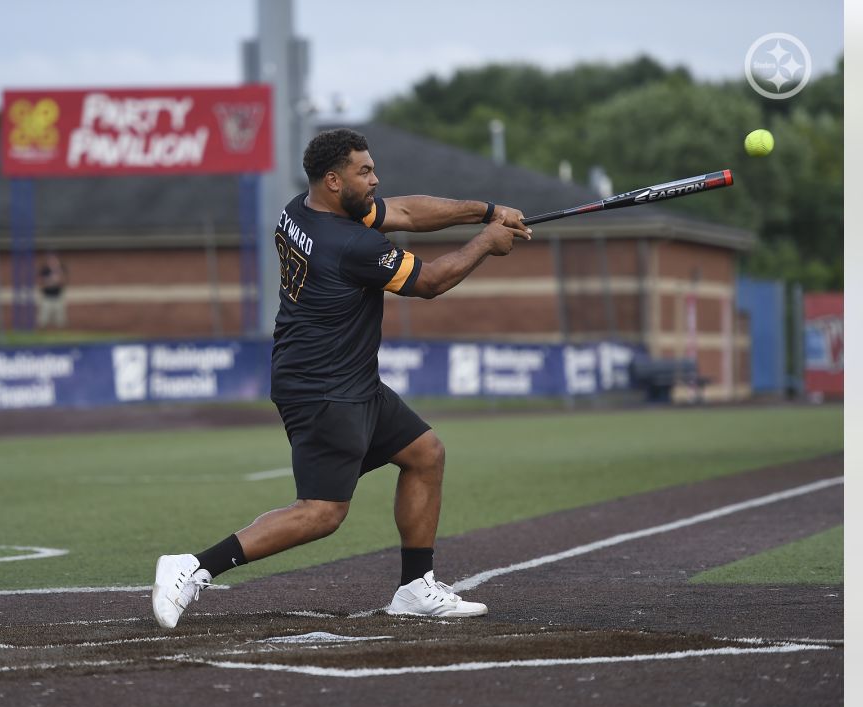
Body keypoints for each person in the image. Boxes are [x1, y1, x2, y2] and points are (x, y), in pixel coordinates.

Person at [151, 128, 531, 628]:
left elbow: (410, 214)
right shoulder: (350, 243)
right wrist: (486, 241)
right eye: (364, 171)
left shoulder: (304, 207)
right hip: (324, 387)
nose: (375, 180)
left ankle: (416, 587)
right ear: (334, 180)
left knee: (425, 454)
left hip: (349, 378)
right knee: (322, 512)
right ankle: (195, 566)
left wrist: (486, 211)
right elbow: (431, 282)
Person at [37, 250, 68, 329]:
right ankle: (42, 333)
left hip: (58, 296)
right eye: (51, 259)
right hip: (47, 297)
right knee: (43, 318)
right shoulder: (44, 270)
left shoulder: (61, 268)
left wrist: (58, 275)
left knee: (60, 319)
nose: (53, 261)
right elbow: (40, 282)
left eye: (54, 259)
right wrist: (49, 281)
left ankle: (60, 334)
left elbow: (64, 281)